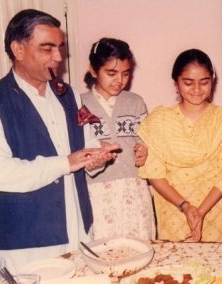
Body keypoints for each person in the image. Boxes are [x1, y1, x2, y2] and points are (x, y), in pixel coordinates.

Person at [0, 9, 120, 272]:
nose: (58, 57)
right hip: (27, 243)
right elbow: (1, 173)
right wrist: (66, 163)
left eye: (60, 48)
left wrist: (97, 157)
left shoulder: (69, 95)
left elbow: (83, 147)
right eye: (47, 48)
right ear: (18, 50)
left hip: (78, 232)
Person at [138, 49, 222, 242]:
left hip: (216, 209)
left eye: (204, 82)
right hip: (175, 210)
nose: (197, 89)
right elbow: (155, 174)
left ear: (212, 82)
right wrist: (186, 206)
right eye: (188, 82)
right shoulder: (159, 122)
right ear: (177, 83)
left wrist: (201, 211)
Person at [81, 38, 155, 240]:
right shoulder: (79, 104)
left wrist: (144, 149)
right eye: (111, 73)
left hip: (133, 187)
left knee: (138, 244)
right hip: (96, 192)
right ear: (94, 71)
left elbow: (145, 139)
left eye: (125, 73)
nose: (119, 80)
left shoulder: (135, 102)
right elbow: (77, 150)